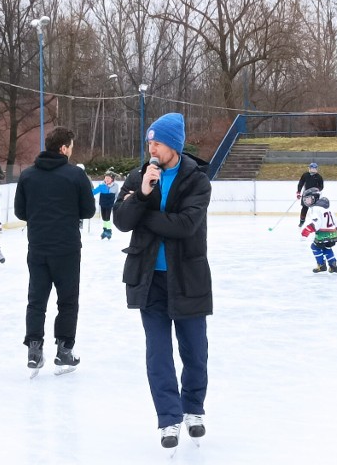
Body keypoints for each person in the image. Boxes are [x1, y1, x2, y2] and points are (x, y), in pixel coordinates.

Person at [113, 112, 212, 450]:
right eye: (149, 142)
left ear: (173, 145)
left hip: (188, 276)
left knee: (195, 351)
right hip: (147, 278)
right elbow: (122, 221)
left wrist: (145, 215)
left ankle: (193, 409)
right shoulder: (138, 176)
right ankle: (169, 418)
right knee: (158, 352)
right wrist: (141, 194)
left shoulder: (197, 180)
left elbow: (186, 226)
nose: (151, 149)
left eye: (157, 142)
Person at [14, 126, 96, 376]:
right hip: (67, 249)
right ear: (63, 148)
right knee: (68, 301)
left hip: (38, 247)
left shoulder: (28, 176)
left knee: (36, 300)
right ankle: (64, 350)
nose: (72, 150)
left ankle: (34, 350)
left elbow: (20, 212)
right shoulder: (75, 175)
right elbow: (88, 211)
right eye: (71, 146)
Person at [300, 191, 337, 273]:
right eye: (306, 200)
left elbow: (317, 223)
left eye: (309, 199)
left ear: (315, 199)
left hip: (323, 234)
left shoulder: (315, 209)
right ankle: (333, 264)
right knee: (327, 247)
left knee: (314, 247)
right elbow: (335, 221)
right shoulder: (327, 208)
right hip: (333, 233)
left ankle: (321, 265)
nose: (307, 202)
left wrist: (307, 230)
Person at [92, 171, 119, 240]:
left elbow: (117, 195)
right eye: (106, 178)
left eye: (108, 178)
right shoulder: (102, 186)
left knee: (107, 217)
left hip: (109, 204)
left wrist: (117, 202)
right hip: (103, 204)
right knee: (104, 218)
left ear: (112, 179)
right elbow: (94, 191)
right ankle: (105, 230)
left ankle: (109, 230)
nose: (106, 179)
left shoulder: (115, 186)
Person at [296, 162, 324, 227]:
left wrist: (316, 190)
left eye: (315, 169)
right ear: (309, 168)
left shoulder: (319, 177)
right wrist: (298, 192)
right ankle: (301, 222)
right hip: (306, 195)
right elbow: (301, 183)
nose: (313, 170)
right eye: (312, 168)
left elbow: (321, 186)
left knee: (315, 209)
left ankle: (316, 222)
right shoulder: (305, 175)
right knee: (304, 208)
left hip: (315, 195)